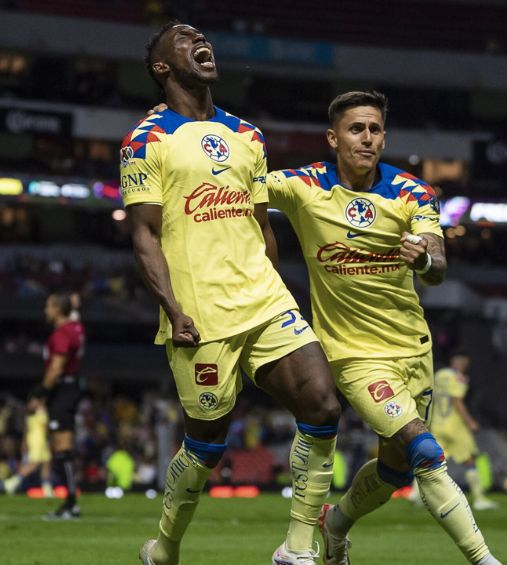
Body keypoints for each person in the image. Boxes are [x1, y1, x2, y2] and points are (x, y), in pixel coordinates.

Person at [125, 21, 341, 565]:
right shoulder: (146, 140)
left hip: (265, 301)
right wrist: (171, 309)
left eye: (202, 37)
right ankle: (166, 545)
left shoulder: (249, 135)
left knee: (322, 404)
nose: (201, 42)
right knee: (206, 445)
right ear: (161, 67)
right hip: (200, 314)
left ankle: (296, 548)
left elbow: (260, 222)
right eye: (182, 39)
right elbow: (144, 234)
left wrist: (278, 284)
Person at [266, 92, 502, 565]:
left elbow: (437, 261)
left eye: (374, 129)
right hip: (352, 354)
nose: (367, 138)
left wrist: (427, 260)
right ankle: (485, 560)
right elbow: (237, 190)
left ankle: (335, 526)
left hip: (413, 348)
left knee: (395, 473)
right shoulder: (303, 185)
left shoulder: (412, 192)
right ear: (333, 138)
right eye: (356, 129)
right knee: (426, 451)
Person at [410, 353, 498, 511]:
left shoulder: (438, 375)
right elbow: (456, 400)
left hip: (438, 424)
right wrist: (470, 422)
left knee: (430, 460)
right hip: (455, 426)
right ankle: (479, 498)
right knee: (470, 459)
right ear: (463, 363)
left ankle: (415, 492)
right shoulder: (458, 377)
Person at [36, 291, 85, 520]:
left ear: (57, 309)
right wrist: (73, 306)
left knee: (62, 449)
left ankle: (71, 504)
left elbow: (56, 367)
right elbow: (74, 318)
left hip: (62, 390)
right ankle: (70, 502)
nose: (45, 310)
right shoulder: (75, 328)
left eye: (48, 306)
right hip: (71, 388)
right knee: (62, 449)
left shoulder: (61, 334)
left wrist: (40, 393)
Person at [2, 396, 53, 497]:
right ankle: (12, 482)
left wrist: (24, 443)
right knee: (33, 464)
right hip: (37, 441)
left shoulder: (30, 414)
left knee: (46, 463)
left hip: (39, 440)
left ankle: (47, 488)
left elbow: (26, 431)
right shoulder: (40, 412)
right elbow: (45, 427)